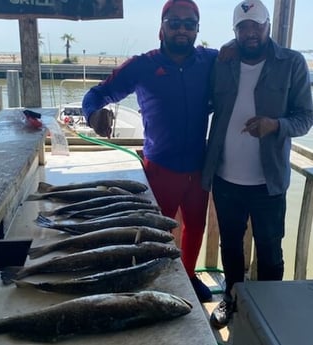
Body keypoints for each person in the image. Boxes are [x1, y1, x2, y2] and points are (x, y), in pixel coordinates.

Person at [82, 0, 218, 303]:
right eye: (174, 22)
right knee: (149, 232)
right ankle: (150, 278)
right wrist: (93, 116)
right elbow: (96, 93)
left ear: (197, 29)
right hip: (159, 169)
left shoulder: (213, 60)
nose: (181, 29)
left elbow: (245, 68)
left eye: (189, 24)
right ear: (162, 27)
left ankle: (189, 276)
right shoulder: (142, 65)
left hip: (199, 168)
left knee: (196, 226)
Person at [201, 0, 313, 329]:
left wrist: (275, 125)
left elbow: (306, 117)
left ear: (267, 26)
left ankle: (269, 311)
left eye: (256, 26)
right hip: (224, 177)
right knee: (230, 246)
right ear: (235, 32)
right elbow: (205, 100)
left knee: (270, 250)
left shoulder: (292, 62)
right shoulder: (224, 61)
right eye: (243, 28)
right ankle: (232, 301)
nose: (251, 33)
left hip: (269, 181)